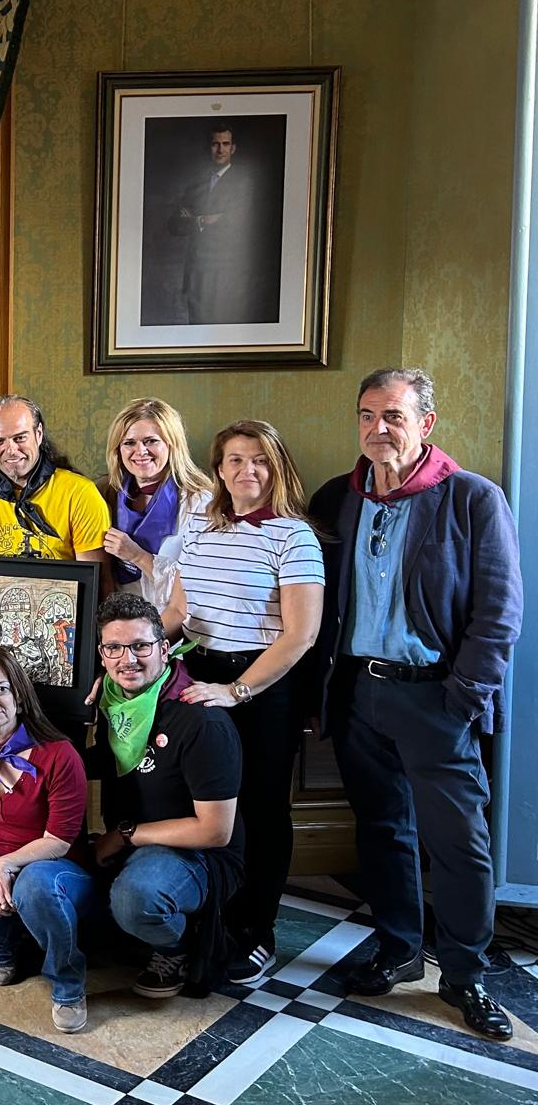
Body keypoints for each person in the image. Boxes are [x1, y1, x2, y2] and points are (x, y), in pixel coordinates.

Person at [311, 368, 522, 1041]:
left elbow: (499, 613)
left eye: (394, 417)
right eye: (368, 415)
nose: (379, 429)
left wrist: (463, 698)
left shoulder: (472, 500)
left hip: (436, 697)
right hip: (357, 694)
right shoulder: (335, 501)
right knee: (382, 829)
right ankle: (400, 948)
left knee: (460, 843)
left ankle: (464, 972)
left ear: (425, 424)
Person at [162, 420, 323, 986]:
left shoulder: (293, 537)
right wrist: (135, 657)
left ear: (276, 466)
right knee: (198, 804)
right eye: (233, 460)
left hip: (260, 687)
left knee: (258, 808)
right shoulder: (202, 529)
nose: (245, 470)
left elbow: (299, 635)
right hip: (197, 676)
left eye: (258, 459)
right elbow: (178, 613)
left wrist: (236, 692)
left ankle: (255, 931)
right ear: (219, 468)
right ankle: (202, 922)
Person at [89, 594, 245, 998]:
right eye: (115, 648)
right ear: (102, 655)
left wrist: (125, 834)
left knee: (134, 898)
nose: (128, 659)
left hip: (198, 854)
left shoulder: (201, 719)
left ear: (164, 648)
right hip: (136, 837)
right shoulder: (113, 699)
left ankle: (175, 947)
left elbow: (215, 832)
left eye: (141, 646)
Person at [0, 647, 95, 1034]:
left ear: (18, 696)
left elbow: (59, 841)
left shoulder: (60, 755)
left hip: (55, 868)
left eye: (1, 689)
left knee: (35, 885)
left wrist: (6, 864)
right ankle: (6, 943)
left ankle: (67, 983)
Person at [0, 394, 110, 570]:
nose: (11, 450)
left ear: (38, 434)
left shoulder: (80, 493)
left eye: (20, 438)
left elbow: (96, 583)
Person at [99, 398, 212, 609]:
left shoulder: (200, 503)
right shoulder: (104, 494)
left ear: (172, 444)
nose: (140, 451)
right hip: (119, 621)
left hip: (178, 626)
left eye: (151, 441)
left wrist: (137, 556)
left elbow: (202, 585)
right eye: (129, 443)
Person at [167, 124, 270, 325]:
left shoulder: (243, 183)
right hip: (196, 274)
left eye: (225, 144)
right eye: (215, 144)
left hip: (225, 275)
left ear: (233, 148)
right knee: (197, 334)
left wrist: (198, 218)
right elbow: (174, 224)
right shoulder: (197, 184)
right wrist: (205, 219)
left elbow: (237, 222)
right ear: (209, 147)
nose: (220, 149)